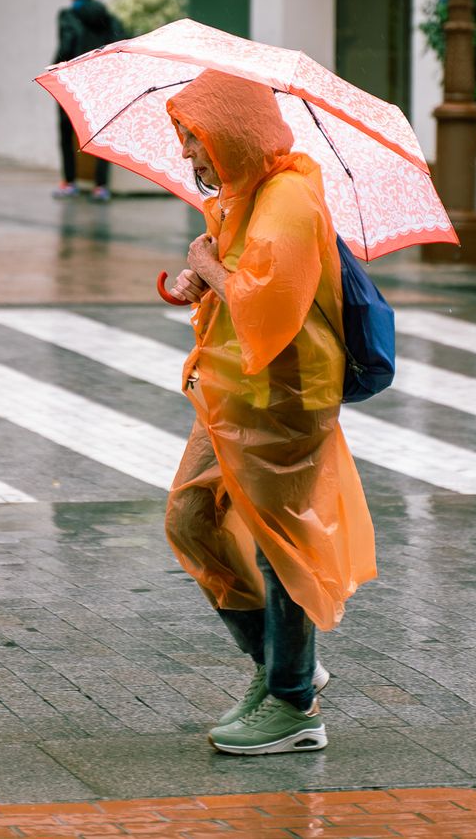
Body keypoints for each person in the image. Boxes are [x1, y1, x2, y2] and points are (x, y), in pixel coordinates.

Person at [162, 69, 376, 756]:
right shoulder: (239, 195)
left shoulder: (287, 197)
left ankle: (292, 706)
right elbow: (235, 291)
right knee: (192, 519)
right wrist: (200, 278)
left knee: (282, 546)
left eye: (194, 138)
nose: (189, 154)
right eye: (183, 139)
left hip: (286, 399)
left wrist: (214, 268)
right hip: (234, 393)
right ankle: (284, 667)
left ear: (233, 131)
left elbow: (266, 306)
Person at [52, 0, 125, 201]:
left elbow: (66, 46)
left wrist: (56, 66)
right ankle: (101, 186)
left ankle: (70, 182)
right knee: (99, 132)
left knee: (67, 130)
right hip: (101, 80)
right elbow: (120, 41)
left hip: (74, 79)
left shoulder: (69, 16)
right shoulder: (108, 17)